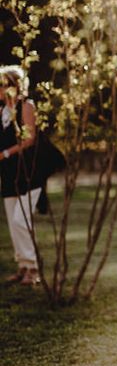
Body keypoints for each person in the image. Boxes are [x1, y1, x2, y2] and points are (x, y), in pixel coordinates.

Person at [0, 65, 43, 286]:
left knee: (21, 220)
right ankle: (22, 266)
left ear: (14, 86)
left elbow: (29, 139)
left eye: (2, 85)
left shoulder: (26, 106)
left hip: (28, 173)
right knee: (11, 219)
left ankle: (33, 267)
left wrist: (5, 153)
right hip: (8, 174)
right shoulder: (2, 111)